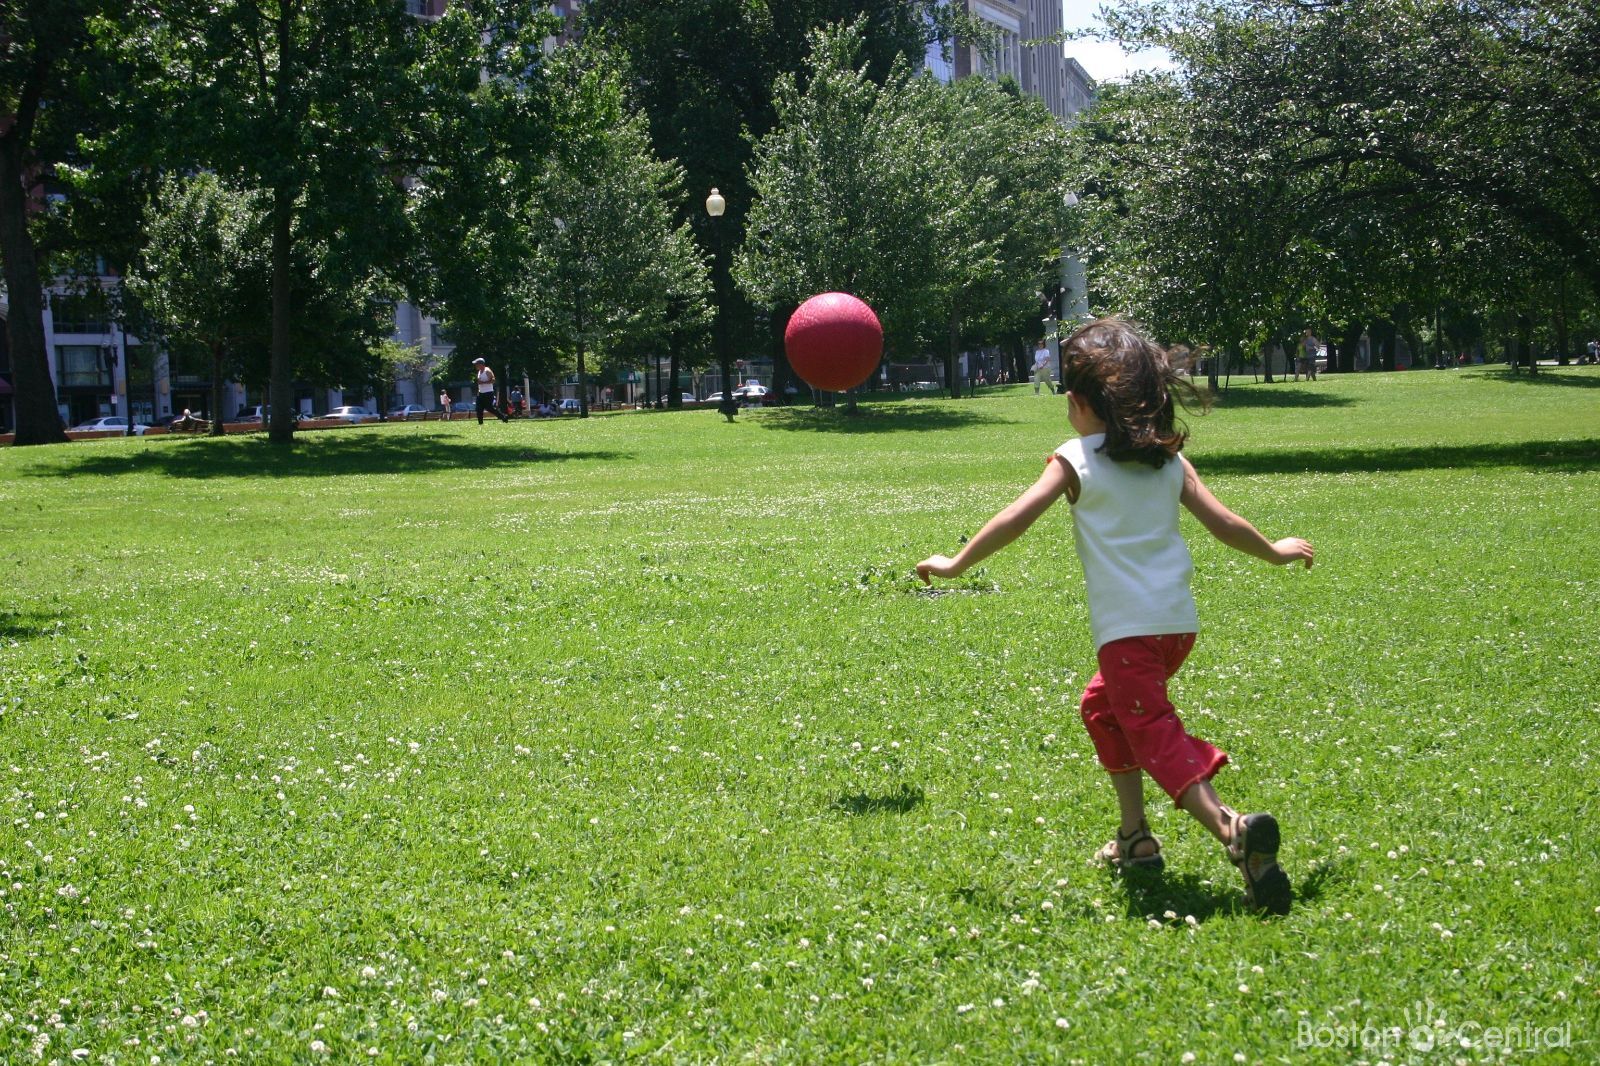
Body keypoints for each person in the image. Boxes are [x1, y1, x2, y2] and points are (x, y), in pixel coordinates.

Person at [915, 317, 1313, 914]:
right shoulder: (1166, 460)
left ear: (1080, 403)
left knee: (1152, 731)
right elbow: (1225, 524)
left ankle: (1232, 829)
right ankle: (1136, 839)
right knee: (1103, 709)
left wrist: (955, 563)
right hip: (1176, 628)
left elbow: (1015, 518)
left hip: (1128, 635)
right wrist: (1275, 550)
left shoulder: (1075, 458)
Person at [472, 358, 508, 424]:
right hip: (480, 393)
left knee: (489, 408)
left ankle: (503, 417)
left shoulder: (487, 371)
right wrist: (478, 391)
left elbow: (493, 380)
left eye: (476, 364)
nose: (475, 366)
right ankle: (480, 424)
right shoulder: (479, 371)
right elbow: (479, 383)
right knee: (479, 409)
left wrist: (483, 383)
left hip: (488, 393)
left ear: (481, 364)